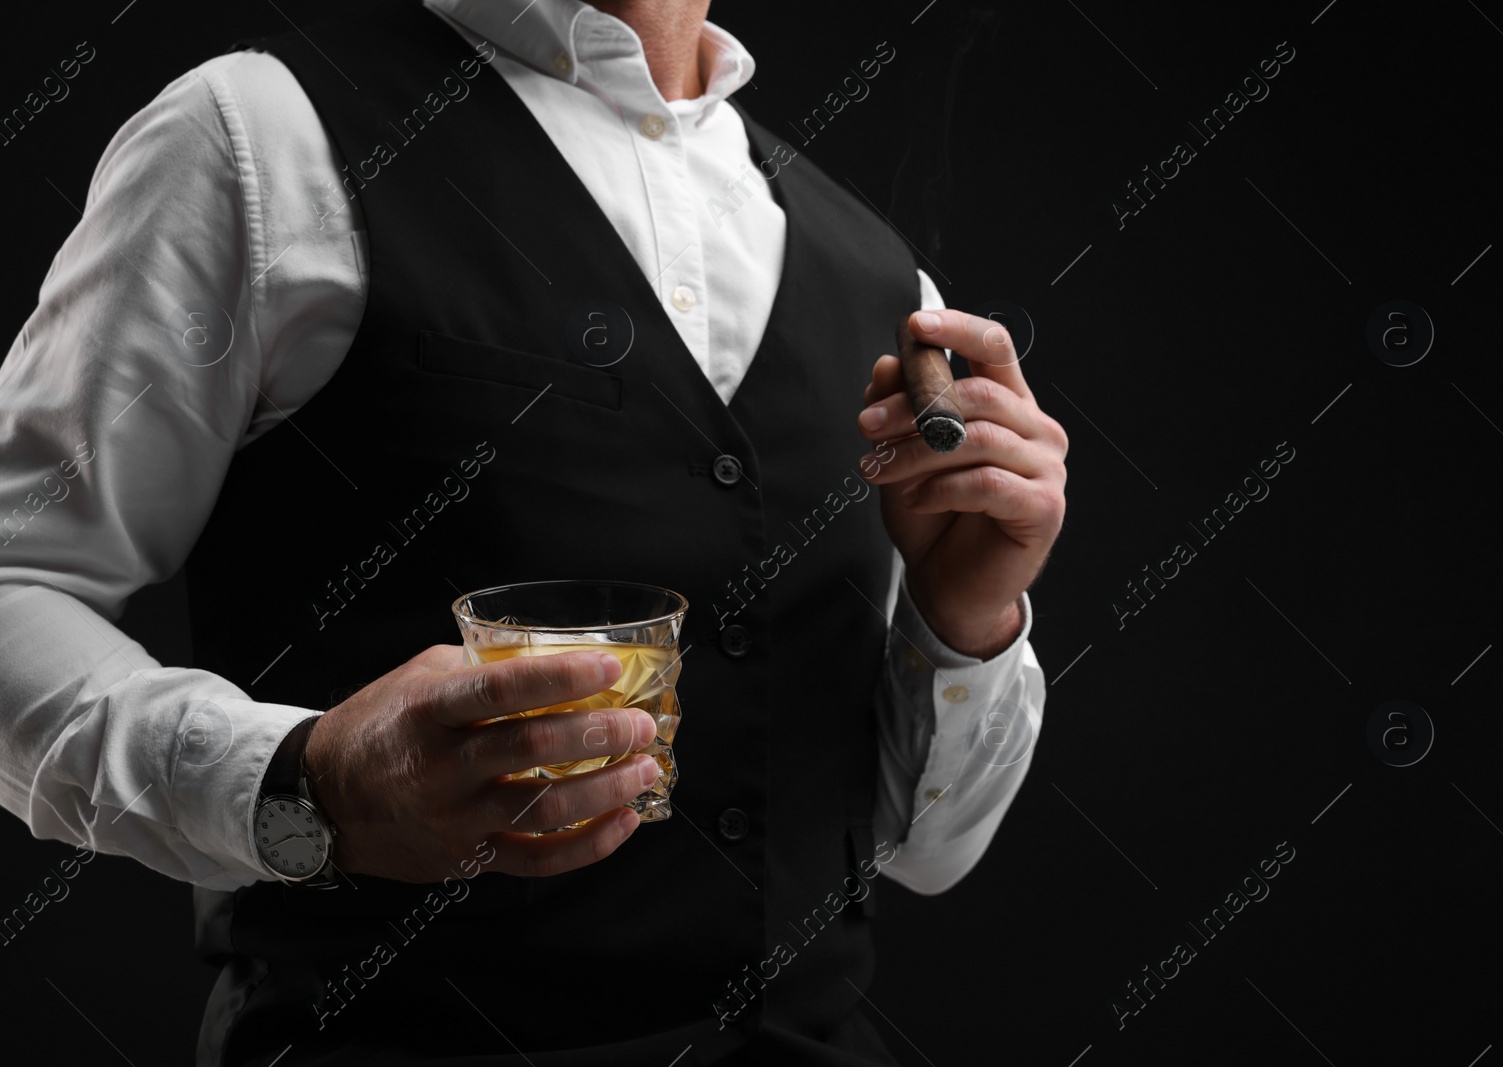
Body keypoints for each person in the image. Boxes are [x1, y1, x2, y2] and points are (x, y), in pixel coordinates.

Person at [0, 0, 1067, 1062]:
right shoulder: (255, 138)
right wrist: (304, 784)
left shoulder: (881, 277)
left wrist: (963, 615)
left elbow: (924, 849)